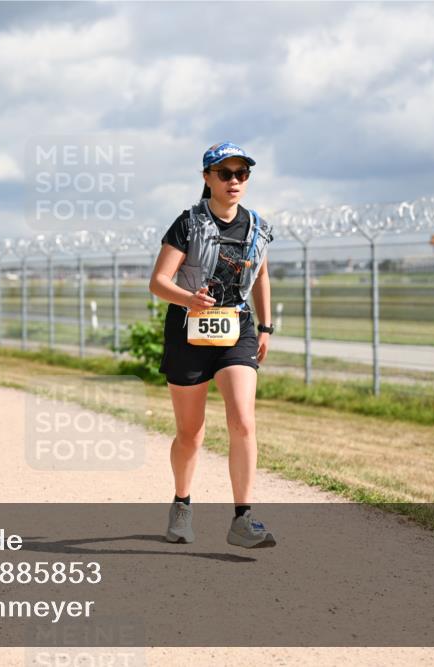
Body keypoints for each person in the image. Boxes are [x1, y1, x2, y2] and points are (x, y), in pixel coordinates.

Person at [149, 142, 276, 548]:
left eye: (242, 174)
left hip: (236, 328)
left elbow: (260, 277)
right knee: (191, 433)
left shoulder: (256, 226)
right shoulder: (187, 224)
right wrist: (189, 299)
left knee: (242, 420)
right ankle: (182, 504)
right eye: (225, 173)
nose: (234, 181)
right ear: (207, 178)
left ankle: (243, 518)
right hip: (189, 329)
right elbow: (158, 283)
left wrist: (267, 325)